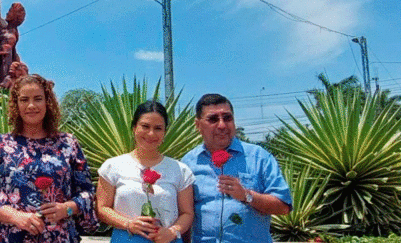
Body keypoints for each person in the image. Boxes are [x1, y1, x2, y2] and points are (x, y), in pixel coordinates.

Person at [0, 74, 97, 243]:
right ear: (16, 104)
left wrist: (66, 209)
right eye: (24, 100)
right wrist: (15, 217)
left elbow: (87, 193)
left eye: (38, 99)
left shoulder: (68, 143)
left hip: (58, 237)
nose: (31, 105)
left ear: (48, 103)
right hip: (8, 237)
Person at [181, 94, 292, 243]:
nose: (222, 125)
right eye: (213, 119)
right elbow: (184, 214)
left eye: (227, 118)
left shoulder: (259, 157)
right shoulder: (188, 163)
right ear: (198, 125)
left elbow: (283, 206)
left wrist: (247, 195)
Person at [97, 101, 194, 243]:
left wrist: (172, 232)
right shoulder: (112, 167)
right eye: (145, 126)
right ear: (134, 127)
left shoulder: (180, 170)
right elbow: (102, 208)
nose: (151, 133)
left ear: (165, 132)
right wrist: (128, 224)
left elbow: (187, 213)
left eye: (158, 128)